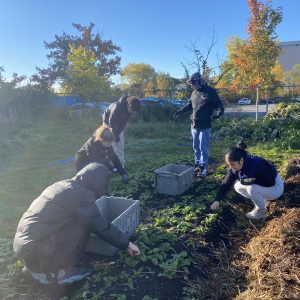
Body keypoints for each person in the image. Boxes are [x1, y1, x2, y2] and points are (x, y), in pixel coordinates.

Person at [13, 163, 140, 285]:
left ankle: (34, 269)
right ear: (98, 183)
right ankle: (62, 272)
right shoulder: (81, 195)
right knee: (82, 224)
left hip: (23, 247)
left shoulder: (63, 185)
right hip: (38, 249)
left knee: (72, 221)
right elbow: (101, 226)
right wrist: (127, 243)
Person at [210, 141, 284, 220]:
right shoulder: (234, 169)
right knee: (237, 186)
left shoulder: (257, 164)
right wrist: (217, 200)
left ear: (241, 160)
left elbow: (269, 181)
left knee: (251, 188)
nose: (231, 167)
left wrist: (251, 181)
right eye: (229, 164)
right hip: (264, 187)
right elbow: (226, 183)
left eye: (232, 164)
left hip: (275, 187)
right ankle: (262, 202)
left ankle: (262, 211)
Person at [173, 72, 224, 177]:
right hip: (194, 123)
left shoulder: (210, 92)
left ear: (199, 82)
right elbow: (189, 105)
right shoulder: (194, 93)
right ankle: (197, 164)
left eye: (193, 84)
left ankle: (203, 166)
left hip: (205, 124)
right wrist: (180, 111)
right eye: (191, 84)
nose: (191, 86)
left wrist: (219, 113)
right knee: (196, 146)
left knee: (203, 147)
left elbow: (219, 105)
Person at [103, 95, 141, 167]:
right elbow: (111, 122)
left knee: (120, 146)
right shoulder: (117, 107)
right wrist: (114, 135)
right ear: (129, 105)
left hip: (118, 124)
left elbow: (123, 124)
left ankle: (121, 166)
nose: (132, 112)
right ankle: (111, 166)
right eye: (132, 110)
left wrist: (117, 134)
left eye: (134, 112)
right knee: (112, 146)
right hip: (108, 123)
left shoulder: (130, 111)